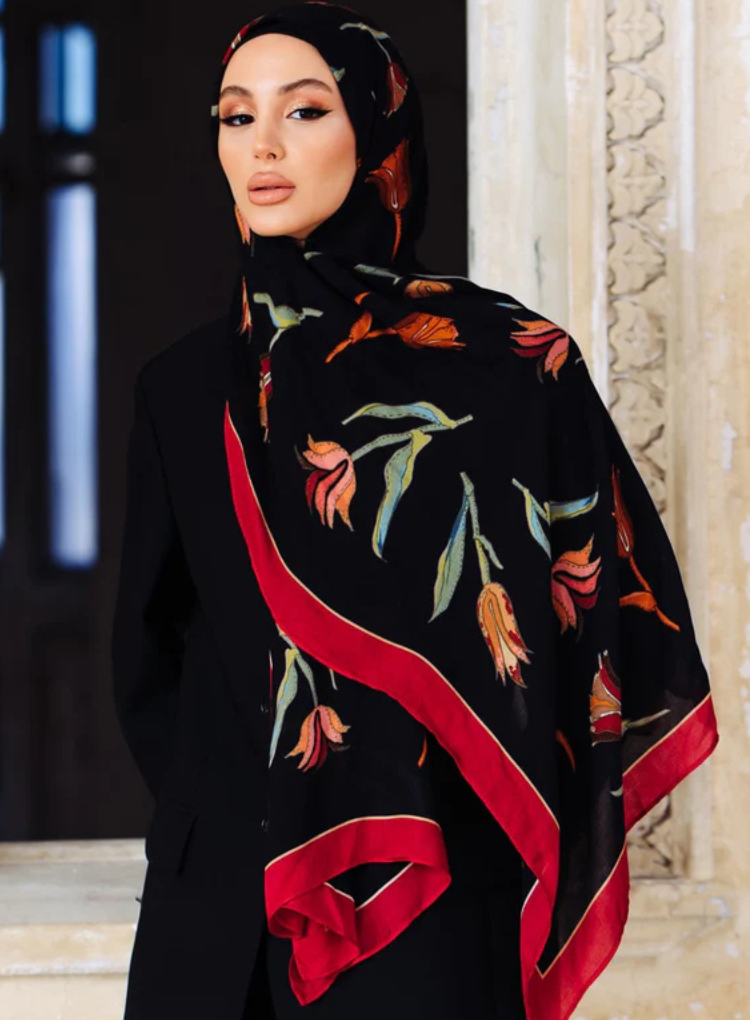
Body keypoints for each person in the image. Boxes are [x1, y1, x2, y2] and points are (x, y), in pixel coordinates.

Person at [111, 5, 719, 1020]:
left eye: (304, 111)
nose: (262, 146)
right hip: (214, 920)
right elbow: (150, 648)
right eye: (236, 115)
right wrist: (237, 809)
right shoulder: (183, 386)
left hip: (431, 907)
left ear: (378, 133)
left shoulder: (511, 366)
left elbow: (589, 624)